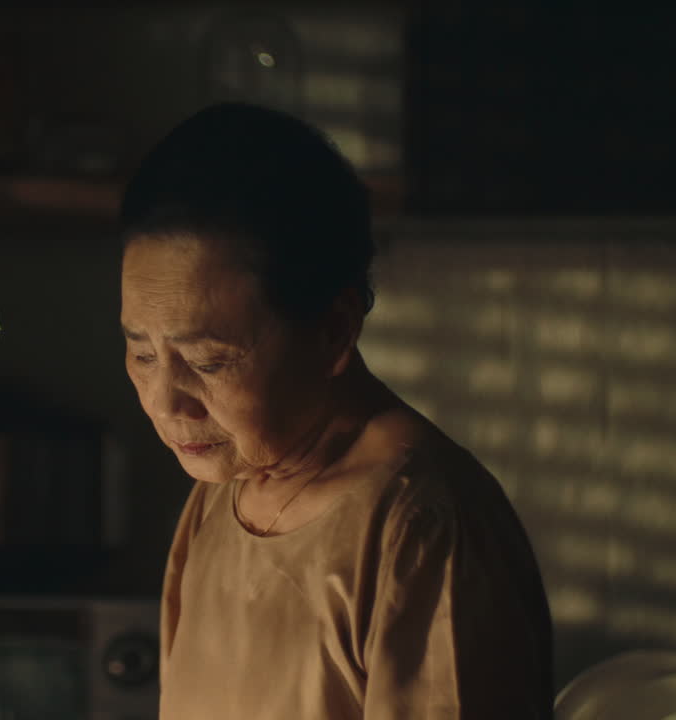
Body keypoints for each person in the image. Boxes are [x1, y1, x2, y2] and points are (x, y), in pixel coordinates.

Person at [118, 103, 554, 719]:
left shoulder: (421, 525)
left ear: (333, 330)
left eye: (209, 362)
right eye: (140, 353)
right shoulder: (223, 488)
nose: (166, 401)